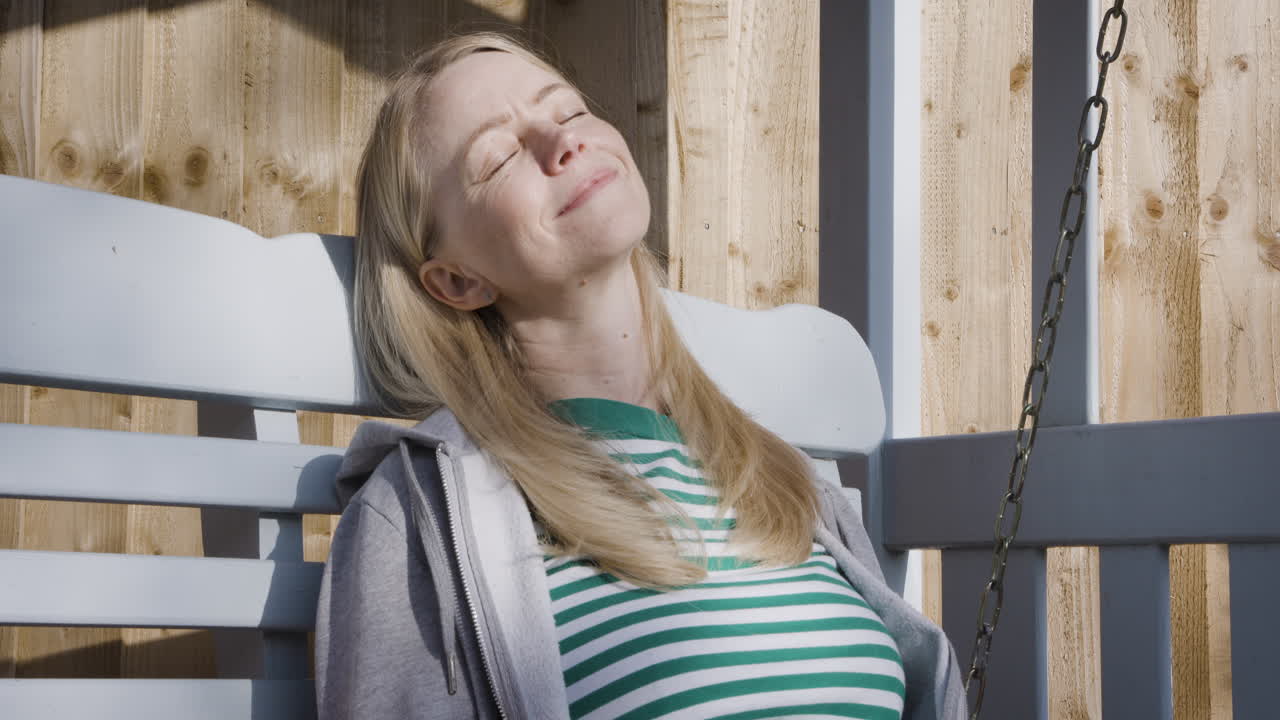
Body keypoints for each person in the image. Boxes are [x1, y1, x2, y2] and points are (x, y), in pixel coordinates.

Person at [314, 30, 965, 720]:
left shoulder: (785, 482)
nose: (562, 142)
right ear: (457, 280)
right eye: (499, 157)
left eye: (568, 110)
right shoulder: (420, 520)